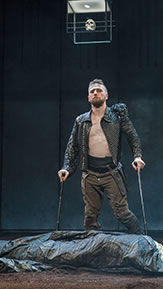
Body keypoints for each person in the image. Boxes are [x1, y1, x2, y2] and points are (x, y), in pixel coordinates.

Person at [58, 79, 146, 234]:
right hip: (90, 174)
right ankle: (92, 252)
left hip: (111, 172)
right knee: (90, 217)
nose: (95, 93)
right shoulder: (81, 120)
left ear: (106, 95)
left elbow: (132, 136)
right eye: (92, 91)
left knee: (122, 213)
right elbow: (72, 146)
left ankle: (143, 241)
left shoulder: (117, 117)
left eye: (98, 90)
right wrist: (67, 168)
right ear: (88, 98)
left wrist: (137, 156)